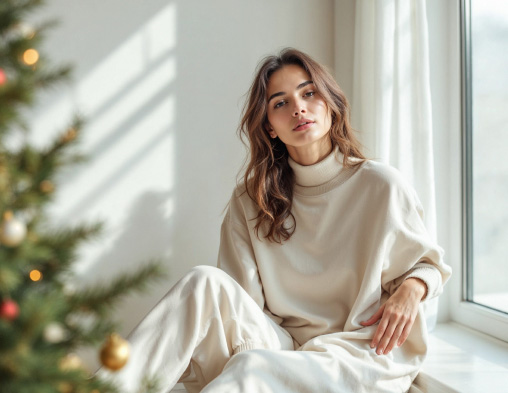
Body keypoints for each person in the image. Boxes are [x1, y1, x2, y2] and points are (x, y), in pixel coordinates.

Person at [96, 48, 452, 393]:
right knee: (203, 281)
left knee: (253, 368)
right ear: (268, 127)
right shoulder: (251, 201)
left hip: (359, 356)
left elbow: (428, 263)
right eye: (280, 103)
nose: (298, 108)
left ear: (330, 104)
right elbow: (241, 308)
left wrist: (412, 288)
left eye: (309, 93)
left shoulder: (380, 185)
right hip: (282, 350)